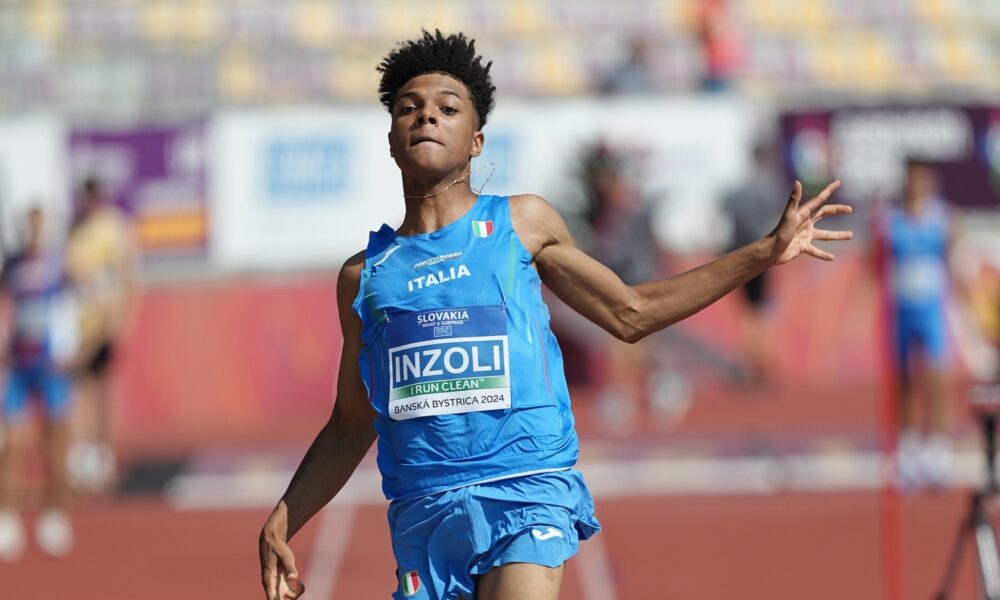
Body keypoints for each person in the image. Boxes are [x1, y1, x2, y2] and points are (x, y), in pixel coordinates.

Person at [258, 30, 851, 600]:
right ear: (391, 139)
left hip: (525, 491)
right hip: (424, 511)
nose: (427, 116)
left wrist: (762, 253)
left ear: (476, 141)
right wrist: (282, 520)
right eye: (409, 108)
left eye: (447, 107)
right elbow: (351, 423)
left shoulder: (522, 225)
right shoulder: (365, 277)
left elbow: (631, 312)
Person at [874, 158, 959, 491]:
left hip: (932, 311)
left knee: (937, 380)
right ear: (905, 181)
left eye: (922, 179)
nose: (916, 185)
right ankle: (907, 454)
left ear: (929, 182)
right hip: (900, 312)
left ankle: (937, 453)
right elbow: (874, 263)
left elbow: (954, 261)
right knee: (905, 382)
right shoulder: (890, 220)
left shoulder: (943, 218)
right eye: (912, 179)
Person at [0, 206, 77, 561]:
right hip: (19, 367)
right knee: (11, 445)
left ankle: (54, 514)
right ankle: (7, 517)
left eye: (38, 226)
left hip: (50, 367)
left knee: (56, 443)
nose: (33, 232)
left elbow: (73, 304)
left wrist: (68, 346)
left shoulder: (58, 265)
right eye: (28, 226)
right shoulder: (12, 265)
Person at [64, 176, 138, 494]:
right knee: (81, 387)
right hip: (81, 324)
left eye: (94, 196)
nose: (90, 202)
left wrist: (124, 318)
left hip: (106, 321)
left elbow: (128, 274)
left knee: (104, 387)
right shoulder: (74, 231)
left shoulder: (114, 227)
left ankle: (104, 455)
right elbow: (70, 278)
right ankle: (84, 456)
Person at [722, 142, 788, 385]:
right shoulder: (769, 191)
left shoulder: (737, 193)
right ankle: (760, 365)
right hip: (761, 258)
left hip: (739, 257)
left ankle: (749, 366)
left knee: (748, 314)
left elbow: (725, 217)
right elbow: (777, 225)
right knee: (761, 313)